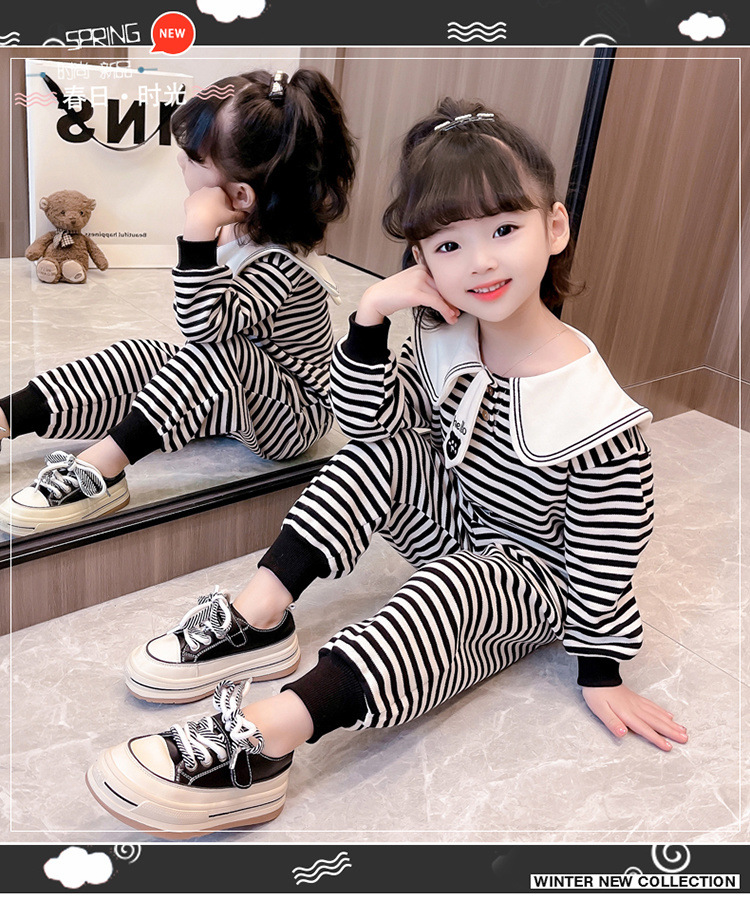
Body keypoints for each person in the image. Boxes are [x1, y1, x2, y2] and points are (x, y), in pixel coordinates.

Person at [86, 98, 688, 838]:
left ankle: (267, 737)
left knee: (454, 587)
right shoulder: (445, 335)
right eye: (449, 244)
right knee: (382, 453)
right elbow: (372, 426)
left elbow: (605, 553)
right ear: (422, 259)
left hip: (533, 577)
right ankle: (257, 617)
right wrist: (371, 316)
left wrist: (601, 672)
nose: (481, 261)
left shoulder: (596, 415)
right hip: (456, 524)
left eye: (504, 229)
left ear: (555, 228)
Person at [0, 69, 356, 547]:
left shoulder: (282, 264)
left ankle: (103, 469)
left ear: (240, 195)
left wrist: (197, 235)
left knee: (214, 353)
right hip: (239, 393)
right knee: (142, 356)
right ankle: (10, 415)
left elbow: (203, 327)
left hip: (292, 416)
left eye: (193, 158)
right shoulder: (241, 227)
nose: (180, 162)